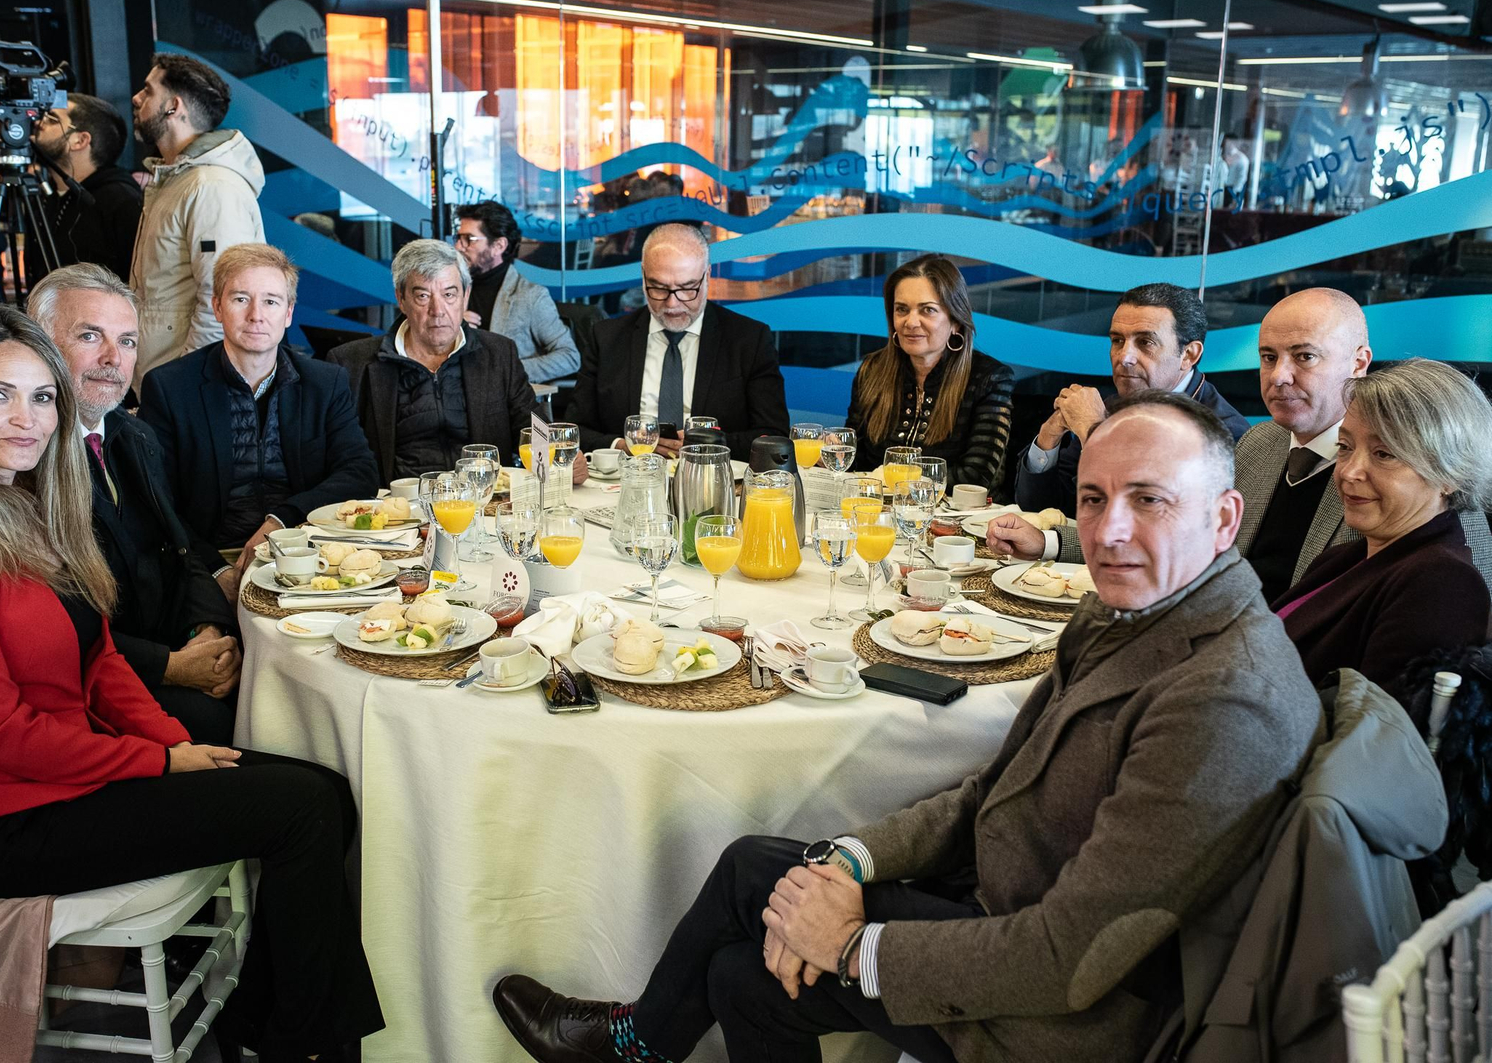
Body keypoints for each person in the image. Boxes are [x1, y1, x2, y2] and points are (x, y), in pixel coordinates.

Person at [493, 390, 1322, 1063]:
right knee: (755, 907)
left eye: (1149, 501)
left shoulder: (1225, 697)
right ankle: (638, 1047)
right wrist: (854, 861)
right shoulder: (1128, 612)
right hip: (1004, 903)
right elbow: (990, 792)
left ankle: (635, 1048)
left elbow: (1075, 958)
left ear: (1223, 519)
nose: (1106, 533)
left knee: (751, 954)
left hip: (1075, 1014)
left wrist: (856, 945)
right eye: (1094, 498)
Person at [0, 304, 383, 1061]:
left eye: (42, 397)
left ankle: (272, 1023)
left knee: (322, 794)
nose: (27, 419)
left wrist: (174, 740)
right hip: (0, 822)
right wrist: (157, 762)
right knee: (306, 810)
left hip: (68, 776)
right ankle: (301, 1043)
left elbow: (101, 661)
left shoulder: (30, 504)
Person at [989, 288, 1492, 597]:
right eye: (1269, 357)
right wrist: (1051, 541)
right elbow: (1184, 536)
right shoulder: (1263, 445)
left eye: (1305, 357)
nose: (1280, 376)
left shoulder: (1408, 477)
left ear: (1359, 363)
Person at [26, 263, 239, 746]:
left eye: (126, 341)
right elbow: (52, 627)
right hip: (94, 688)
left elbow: (180, 547)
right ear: (37, 345)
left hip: (169, 647)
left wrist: (207, 629)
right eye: (89, 336)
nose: (113, 358)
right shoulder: (24, 460)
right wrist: (172, 667)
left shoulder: (134, 434)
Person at [139, 244, 378, 592]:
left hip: (308, 551)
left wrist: (282, 519)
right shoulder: (170, 387)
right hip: (205, 559)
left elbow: (360, 471)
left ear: (288, 313)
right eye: (240, 299)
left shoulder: (324, 382)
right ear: (217, 306)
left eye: (271, 301)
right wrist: (214, 570)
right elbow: (157, 499)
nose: (256, 315)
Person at [1274, 359, 1492, 700]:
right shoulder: (1344, 557)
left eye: (1384, 454)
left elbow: (1371, 736)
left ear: (1450, 475)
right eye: (1345, 448)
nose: (1350, 472)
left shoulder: (1443, 584)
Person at [331, 238, 573, 481]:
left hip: (485, 502)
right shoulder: (352, 364)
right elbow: (339, 457)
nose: (438, 310)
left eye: (449, 294)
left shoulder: (498, 354)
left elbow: (533, 430)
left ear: (465, 296)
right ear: (401, 299)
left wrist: (560, 463)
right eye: (423, 296)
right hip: (398, 508)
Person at [1014, 282, 1248, 512]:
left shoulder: (1224, 432)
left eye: (1145, 342)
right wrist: (1049, 436)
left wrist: (1093, 431)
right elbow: (1042, 508)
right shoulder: (1113, 405)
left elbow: (1140, 520)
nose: (1124, 357)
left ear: (1188, 354)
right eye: (1117, 341)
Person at [568, 223, 788, 462]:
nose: (672, 304)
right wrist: (622, 446)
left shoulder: (748, 340)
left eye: (686, 289)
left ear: (707, 276)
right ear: (643, 277)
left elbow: (773, 436)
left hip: (714, 484)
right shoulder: (607, 338)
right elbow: (575, 430)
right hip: (627, 483)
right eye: (659, 288)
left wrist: (709, 444)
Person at [129, 53, 266, 395]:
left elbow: (223, 303)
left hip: (186, 389)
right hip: (162, 382)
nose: (136, 98)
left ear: (173, 107)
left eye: (148, 91)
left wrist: (189, 388)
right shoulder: (179, 180)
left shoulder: (212, 187)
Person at [845, 254, 1014, 490]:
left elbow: (976, 476)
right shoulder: (872, 370)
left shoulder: (989, 378)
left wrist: (895, 479)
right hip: (877, 515)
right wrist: (837, 452)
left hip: (958, 521)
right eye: (902, 310)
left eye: (928, 310)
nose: (911, 322)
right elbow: (856, 462)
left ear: (955, 320)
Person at [455, 201, 580, 382]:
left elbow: (569, 357)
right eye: (458, 238)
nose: (459, 246)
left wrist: (507, 373)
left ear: (499, 245)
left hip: (502, 403)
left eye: (469, 239)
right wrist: (451, 328)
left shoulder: (530, 296)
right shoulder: (451, 289)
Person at [32, 93, 144, 281]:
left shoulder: (119, 199)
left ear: (80, 141)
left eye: (52, 119)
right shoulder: (48, 195)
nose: (38, 123)